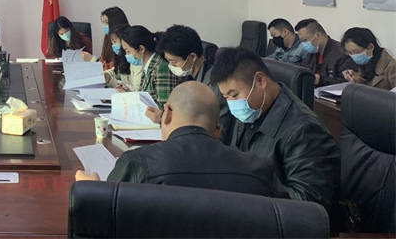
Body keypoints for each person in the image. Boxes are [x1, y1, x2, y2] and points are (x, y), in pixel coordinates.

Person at [76, 82, 287, 198]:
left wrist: (91, 190)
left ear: (166, 113)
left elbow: (105, 221)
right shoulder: (259, 169)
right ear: (217, 130)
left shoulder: (137, 163)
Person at [212, 47, 339, 212]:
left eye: (234, 95)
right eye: (226, 97)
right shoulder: (252, 111)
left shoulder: (304, 130)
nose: (231, 104)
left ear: (260, 81)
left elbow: (308, 203)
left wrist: (250, 184)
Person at [114, 24, 178, 107]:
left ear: (141, 49)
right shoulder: (148, 64)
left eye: (128, 51)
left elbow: (164, 107)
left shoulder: (161, 68)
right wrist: (129, 94)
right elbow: (147, 98)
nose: (126, 55)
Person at [295, 18, 354, 87]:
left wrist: (321, 80)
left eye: (305, 40)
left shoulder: (341, 53)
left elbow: (346, 83)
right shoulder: (311, 53)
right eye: (301, 41)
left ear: (318, 36)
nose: (303, 44)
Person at [96, 6, 129, 71]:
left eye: (106, 23)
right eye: (103, 23)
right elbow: (103, 57)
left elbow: (116, 65)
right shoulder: (107, 37)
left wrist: (96, 62)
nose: (104, 26)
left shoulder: (126, 38)